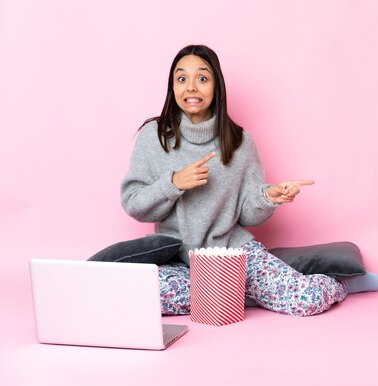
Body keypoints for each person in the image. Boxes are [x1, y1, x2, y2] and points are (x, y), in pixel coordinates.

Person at [121, 45, 347, 316]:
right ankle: (240, 293)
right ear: (172, 87)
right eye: (182, 79)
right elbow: (134, 203)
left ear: (216, 86)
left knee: (307, 300)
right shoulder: (153, 136)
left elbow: (248, 214)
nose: (191, 87)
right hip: (179, 260)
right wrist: (174, 184)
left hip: (233, 254)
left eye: (202, 78)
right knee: (135, 295)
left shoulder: (240, 142)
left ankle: (342, 285)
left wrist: (268, 197)